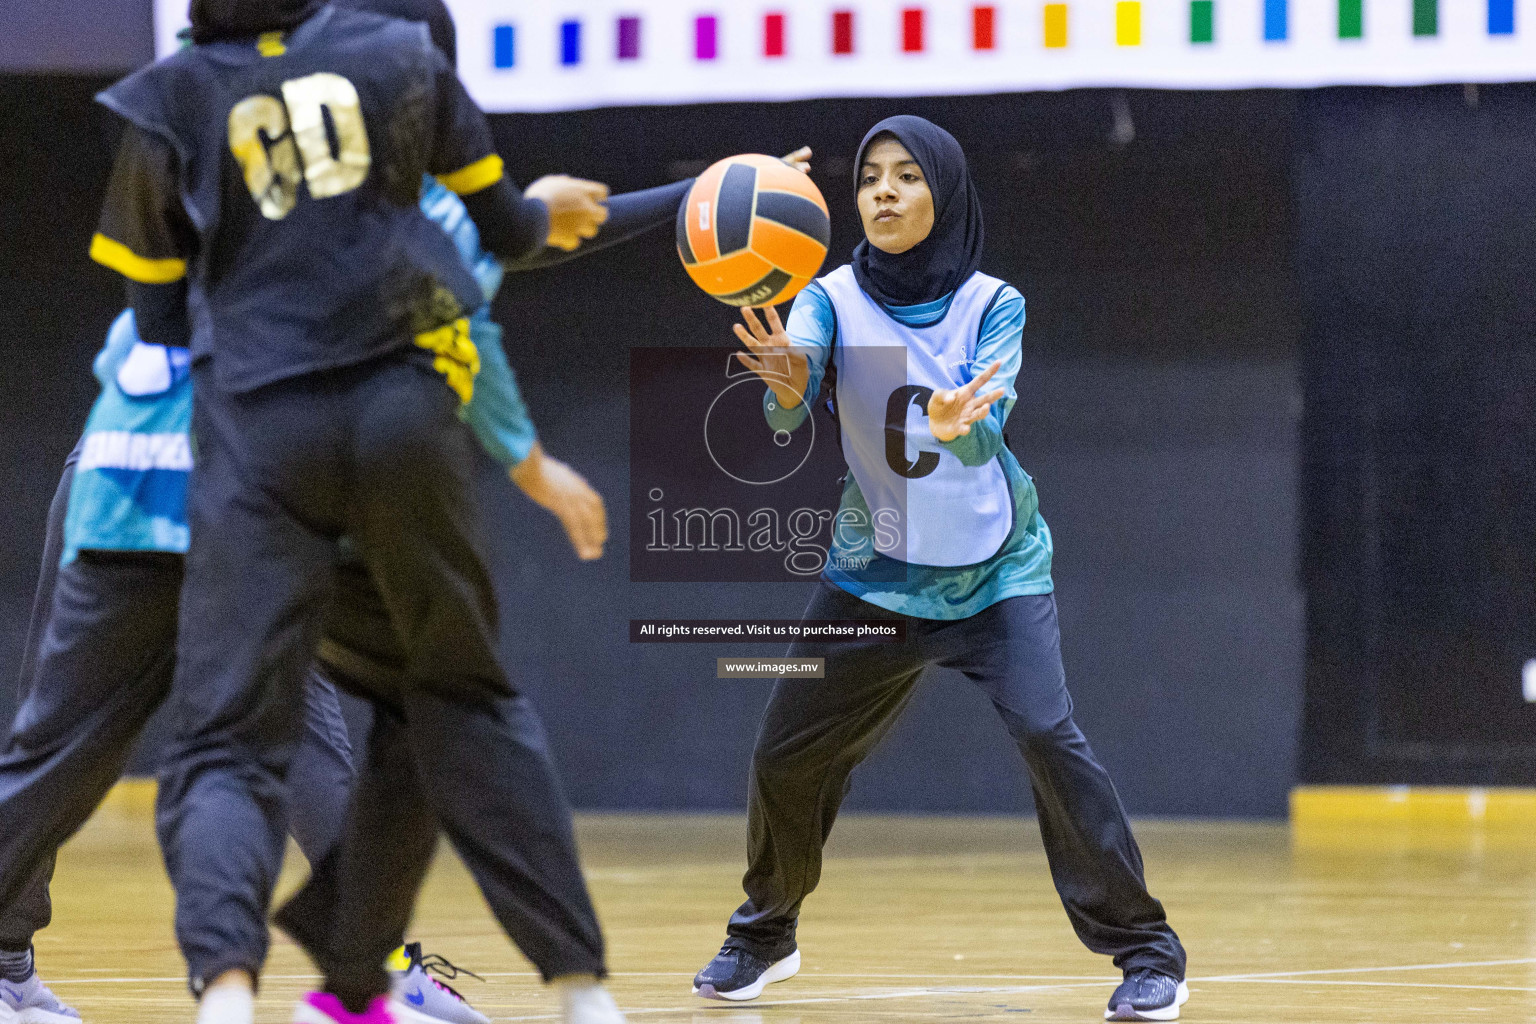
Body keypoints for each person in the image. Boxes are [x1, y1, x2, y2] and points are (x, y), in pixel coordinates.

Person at [692, 116, 1191, 1023]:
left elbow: (990, 423)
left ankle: (1148, 952)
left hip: (994, 571)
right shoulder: (832, 296)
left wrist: (969, 422)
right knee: (785, 752)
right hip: (874, 574)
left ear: (945, 195)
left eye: (906, 177)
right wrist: (785, 379)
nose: (882, 192)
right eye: (871, 177)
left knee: (1049, 737)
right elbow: (786, 404)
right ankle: (763, 937)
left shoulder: (995, 303)